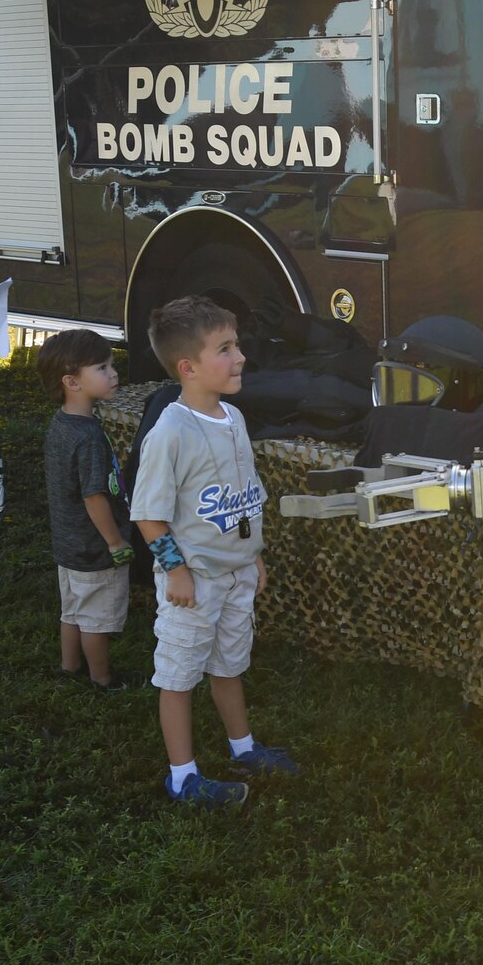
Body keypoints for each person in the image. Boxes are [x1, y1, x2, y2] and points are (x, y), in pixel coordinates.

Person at [131, 295, 300, 808]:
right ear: (189, 367)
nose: (240, 357)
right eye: (225, 349)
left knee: (230, 664)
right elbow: (147, 513)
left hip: (236, 574)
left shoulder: (233, 417)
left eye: (237, 345)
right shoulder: (171, 433)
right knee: (179, 675)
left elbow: (243, 494)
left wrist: (253, 554)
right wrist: (174, 569)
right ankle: (183, 778)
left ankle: (243, 747)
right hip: (194, 581)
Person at [39, 329, 135, 691]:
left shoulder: (61, 423)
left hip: (68, 543)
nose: (113, 373)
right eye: (102, 367)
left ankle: (69, 667)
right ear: (71, 382)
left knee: (73, 610)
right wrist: (114, 542)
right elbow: (94, 497)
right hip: (95, 548)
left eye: (111, 365)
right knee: (96, 618)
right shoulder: (88, 436)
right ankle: (102, 678)